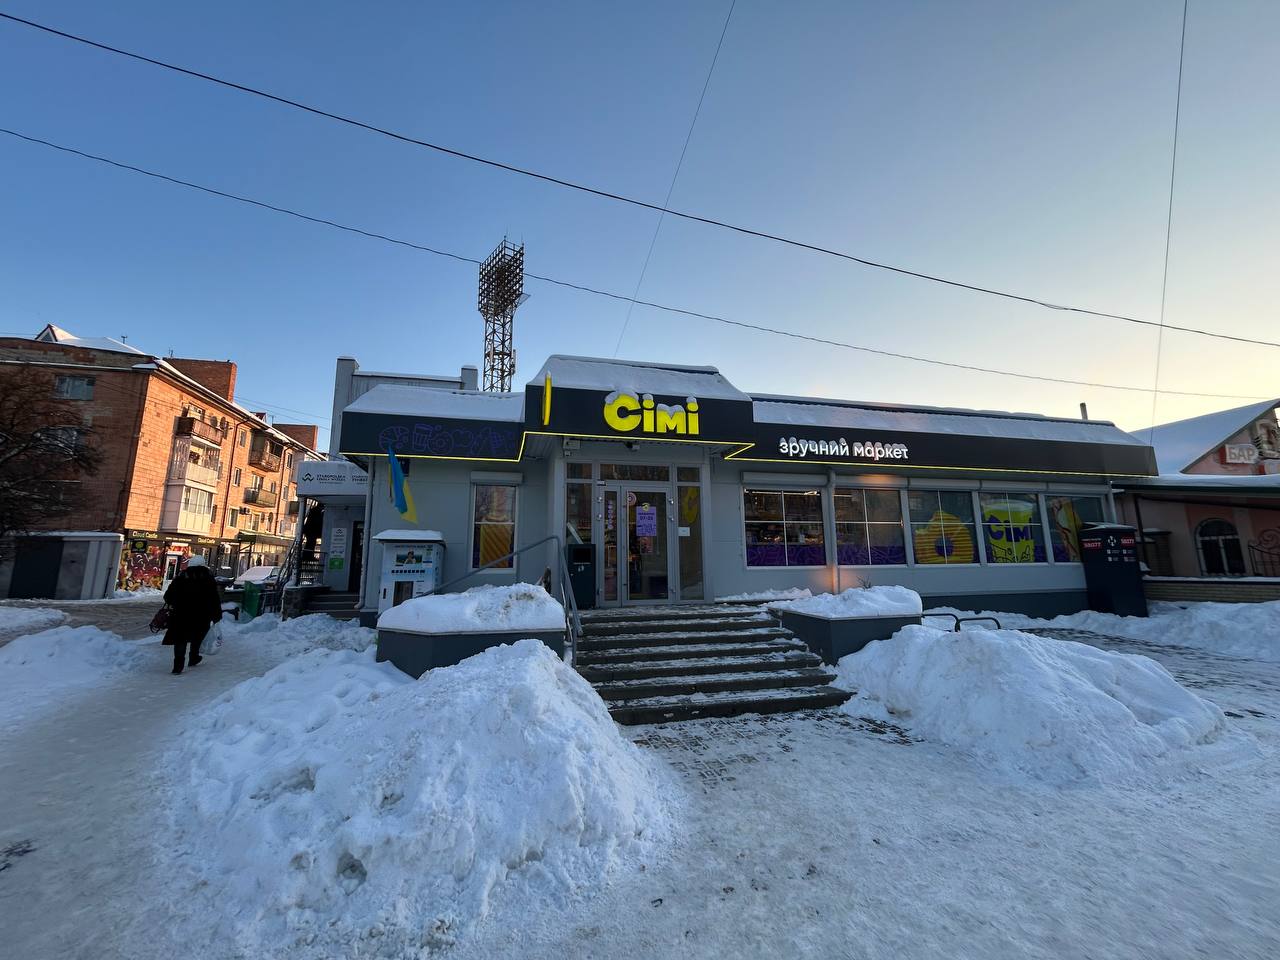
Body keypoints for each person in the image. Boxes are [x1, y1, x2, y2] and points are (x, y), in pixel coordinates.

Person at [162, 555, 223, 675]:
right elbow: (214, 599)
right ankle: (194, 657)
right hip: (202, 615)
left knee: (180, 639)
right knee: (198, 636)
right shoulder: (208, 579)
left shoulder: (181, 577)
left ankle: (178, 666)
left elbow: (168, 596)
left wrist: (176, 603)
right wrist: (216, 615)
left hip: (181, 615)